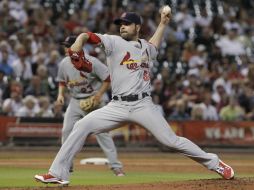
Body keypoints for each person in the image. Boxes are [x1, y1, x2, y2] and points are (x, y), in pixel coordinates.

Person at [35, 7, 234, 185]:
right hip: (117, 106)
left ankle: (215, 163)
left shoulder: (146, 47)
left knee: (171, 141)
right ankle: (58, 173)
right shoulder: (113, 42)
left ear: (137, 27)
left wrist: (163, 23)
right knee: (81, 126)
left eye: (127, 24)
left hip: (143, 105)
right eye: (121, 24)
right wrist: (79, 40)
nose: (122, 27)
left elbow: (153, 45)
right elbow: (89, 36)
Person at [51, 36, 124, 176]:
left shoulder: (92, 62)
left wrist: (98, 95)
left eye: (69, 46)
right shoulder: (64, 63)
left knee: (103, 134)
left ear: (78, 47)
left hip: (93, 102)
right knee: (66, 131)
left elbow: (108, 78)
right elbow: (61, 81)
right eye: (65, 46)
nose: (66, 49)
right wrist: (60, 95)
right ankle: (67, 166)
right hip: (75, 101)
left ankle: (115, 166)